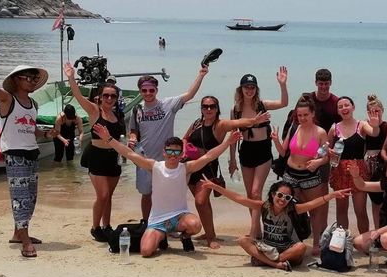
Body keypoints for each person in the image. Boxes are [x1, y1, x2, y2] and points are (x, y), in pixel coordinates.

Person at [92, 126, 241, 257]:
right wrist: (109, 139)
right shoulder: (155, 166)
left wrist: (228, 142)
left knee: (195, 225)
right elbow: (130, 154)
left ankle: (185, 237)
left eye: (177, 151)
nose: (173, 154)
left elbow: (209, 156)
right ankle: (162, 237)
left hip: (180, 217)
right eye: (169, 151)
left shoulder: (186, 168)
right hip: (158, 220)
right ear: (164, 152)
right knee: (146, 251)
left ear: (182, 154)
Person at [0, 41, 58, 258]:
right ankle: (26, 241)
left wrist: (47, 134)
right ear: (16, 81)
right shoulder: (7, 99)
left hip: (32, 153)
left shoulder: (33, 104)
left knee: (30, 196)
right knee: (20, 196)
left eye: (34, 78)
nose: (32, 81)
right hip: (15, 154)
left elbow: (31, 129)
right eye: (27, 78)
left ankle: (17, 233)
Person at [204, 178, 350, 271]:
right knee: (243, 240)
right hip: (268, 248)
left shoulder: (293, 209)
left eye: (287, 197)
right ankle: (274, 264)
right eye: (280, 195)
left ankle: (268, 262)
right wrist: (215, 187)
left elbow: (313, 203)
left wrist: (332, 195)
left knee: (301, 247)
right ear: (273, 194)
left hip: (288, 251)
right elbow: (238, 198)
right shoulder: (263, 206)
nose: (282, 199)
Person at [185, 95, 270, 249]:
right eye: (205, 106)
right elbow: (184, 139)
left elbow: (236, 122)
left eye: (212, 106)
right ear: (201, 109)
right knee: (202, 204)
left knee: (201, 201)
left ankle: (211, 238)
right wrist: (182, 151)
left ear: (217, 108)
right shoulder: (197, 123)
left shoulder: (220, 125)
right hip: (191, 167)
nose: (209, 109)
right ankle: (209, 232)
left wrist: (253, 121)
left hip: (208, 168)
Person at [127, 66, 210, 221]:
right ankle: (147, 223)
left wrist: (201, 75)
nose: (148, 94)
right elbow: (133, 130)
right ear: (140, 92)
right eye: (144, 91)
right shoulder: (136, 109)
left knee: (167, 194)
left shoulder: (168, 104)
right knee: (147, 194)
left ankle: (168, 223)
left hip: (168, 160)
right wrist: (132, 138)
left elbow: (189, 95)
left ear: (156, 90)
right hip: (144, 159)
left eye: (151, 90)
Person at [64, 62, 125, 241]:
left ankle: (107, 226)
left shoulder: (118, 115)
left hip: (114, 158)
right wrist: (70, 77)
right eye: (106, 95)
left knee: (109, 196)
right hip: (97, 157)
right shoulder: (94, 110)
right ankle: (95, 227)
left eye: (113, 96)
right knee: (102, 195)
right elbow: (77, 96)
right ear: (99, 97)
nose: (109, 99)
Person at [229, 67, 289, 236]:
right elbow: (233, 136)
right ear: (240, 89)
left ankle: (256, 231)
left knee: (256, 192)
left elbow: (284, 103)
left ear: (256, 89)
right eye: (246, 87)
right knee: (250, 195)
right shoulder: (236, 110)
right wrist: (232, 160)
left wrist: (282, 85)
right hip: (245, 151)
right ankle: (258, 229)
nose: (249, 90)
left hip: (263, 150)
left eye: (252, 87)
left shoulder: (263, 105)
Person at [274, 96, 331, 255]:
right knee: (289, 209)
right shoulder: (294, 128)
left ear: (313, 114)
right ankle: (290, 240)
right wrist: (275, 140)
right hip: (290, 174)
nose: (302, 118)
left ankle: (315, 244)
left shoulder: (320, 132)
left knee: (314, 210)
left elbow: (326, 157)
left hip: (311, 176)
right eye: (299, 115)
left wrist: (318, 163)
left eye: (305, 115)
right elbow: (283, 151)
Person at [326, 96, 381, 234]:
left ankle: (364, 240)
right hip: (339, 171)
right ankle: (342, 241)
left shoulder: (361, 125)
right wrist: (329, 152)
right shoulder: (334, 128)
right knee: (341, 209)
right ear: (338, 111)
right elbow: (326, 148)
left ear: (353, 107)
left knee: (360, 210)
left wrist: (375, 125)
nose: (344, 108)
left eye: (347, 105)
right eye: (341, 107)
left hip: (358, 169)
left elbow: (374, 133)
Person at [363, 94, 387, 229]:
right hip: (370, 166)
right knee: (375, 202)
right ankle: (377, 230)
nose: (374, 114)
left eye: (377, 111)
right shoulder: (364, 126)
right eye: (371, 111)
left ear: (382, 110)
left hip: (386, 166)